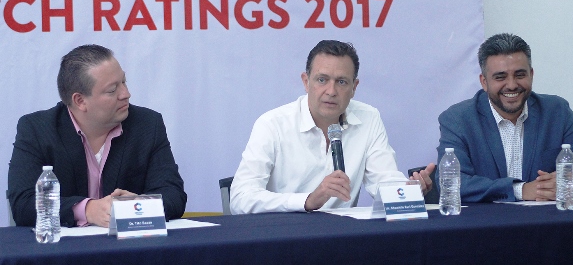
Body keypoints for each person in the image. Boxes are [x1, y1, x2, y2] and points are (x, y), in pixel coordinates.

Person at [230, 40, 434, 214]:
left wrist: (408, 192)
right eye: (322, 80)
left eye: (342, 82)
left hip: (342, 238)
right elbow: (240, 198)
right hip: (284, 237)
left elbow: (383, 180)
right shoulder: (272, 124)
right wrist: (308, 200)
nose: (331, 91)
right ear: (306, 82)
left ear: (354, 88)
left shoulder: (369, 118)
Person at [7, 44, 186, 227]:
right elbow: (23, 204)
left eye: (124, 82)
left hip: (129, 243)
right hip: (65, 245)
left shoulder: (147, 124)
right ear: (80, 101)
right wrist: (86, 210)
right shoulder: (37, 130)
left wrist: (139, 205)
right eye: (112, 90)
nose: (126, 94)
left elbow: (174, 196)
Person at [437, 33, 573, 202]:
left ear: (531, 75)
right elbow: (451, 183)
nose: (512, 85)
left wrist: (568, 187)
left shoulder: (557, 112)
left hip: (546, 217)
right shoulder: (457, 119)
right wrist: (520, 190)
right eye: (500, 77)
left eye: (520, 75)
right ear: (484, 82)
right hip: (487, 218)